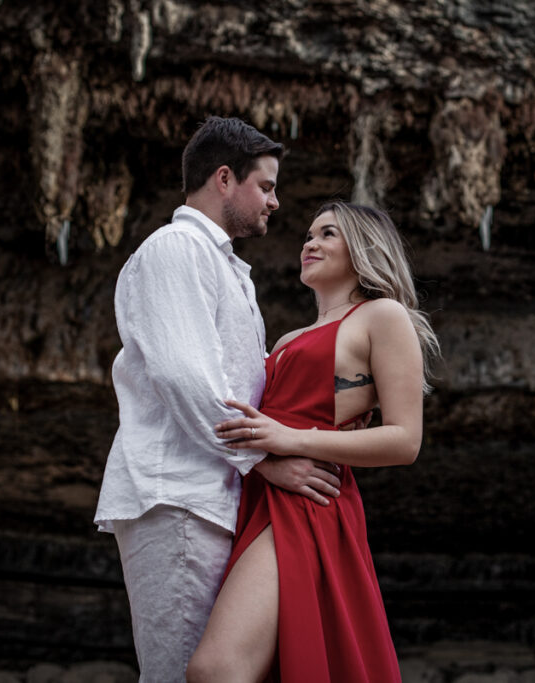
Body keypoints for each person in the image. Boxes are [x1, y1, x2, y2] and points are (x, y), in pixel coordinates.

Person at [93, 117, 346, 682]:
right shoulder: (176, 249)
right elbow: (187, 379)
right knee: (181, 674)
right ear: (224, 178)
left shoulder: (227, 268)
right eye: (266, 186)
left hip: (211, 495)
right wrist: (266, 462)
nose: (276, 203)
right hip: (179, 495)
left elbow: (249, 384)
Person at [187, 202, 441, 683]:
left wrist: (289, 437)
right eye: (308, 235)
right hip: (257, 496)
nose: (310, 243)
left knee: (215, 668)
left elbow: (405, 440)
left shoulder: (382, 315)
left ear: (363, 248)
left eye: (328, 234)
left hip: (308, 505)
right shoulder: (286, 340)